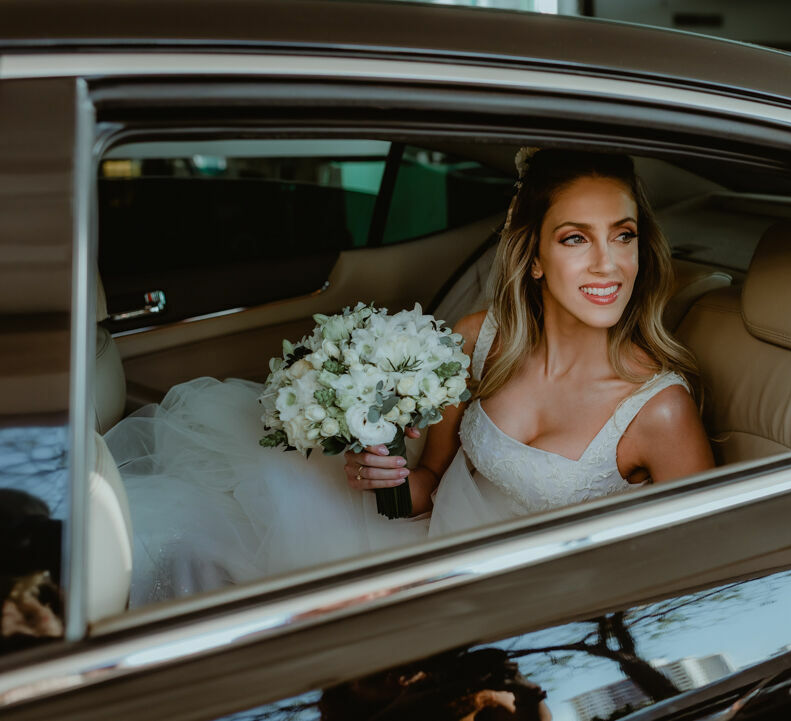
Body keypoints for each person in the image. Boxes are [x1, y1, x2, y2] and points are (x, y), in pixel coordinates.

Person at [106, 148, 713, 607]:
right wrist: (388, 481)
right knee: (185, 541)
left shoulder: (657, 411)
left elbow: (705, 576)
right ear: (533, 258)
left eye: (623, 236)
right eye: (576, 238)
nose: (608, 263)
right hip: (421, 547)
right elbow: (430, 484)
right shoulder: (481, 341)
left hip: (508, 608)